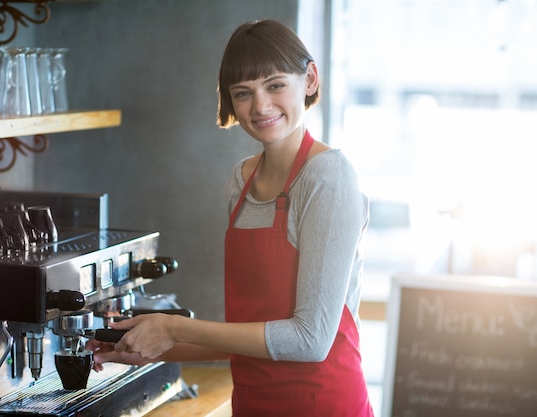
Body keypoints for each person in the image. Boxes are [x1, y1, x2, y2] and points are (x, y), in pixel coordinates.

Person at [86, 19, 375, 417]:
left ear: (309, 78)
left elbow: (309, 340)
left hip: (321, 403)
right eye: (244, 93)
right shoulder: (242, 180)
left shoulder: (328, 177)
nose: (260, 106)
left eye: (275, 85)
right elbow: (255, 335)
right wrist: (147, 349)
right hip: (254, 403)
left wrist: (174, 327)